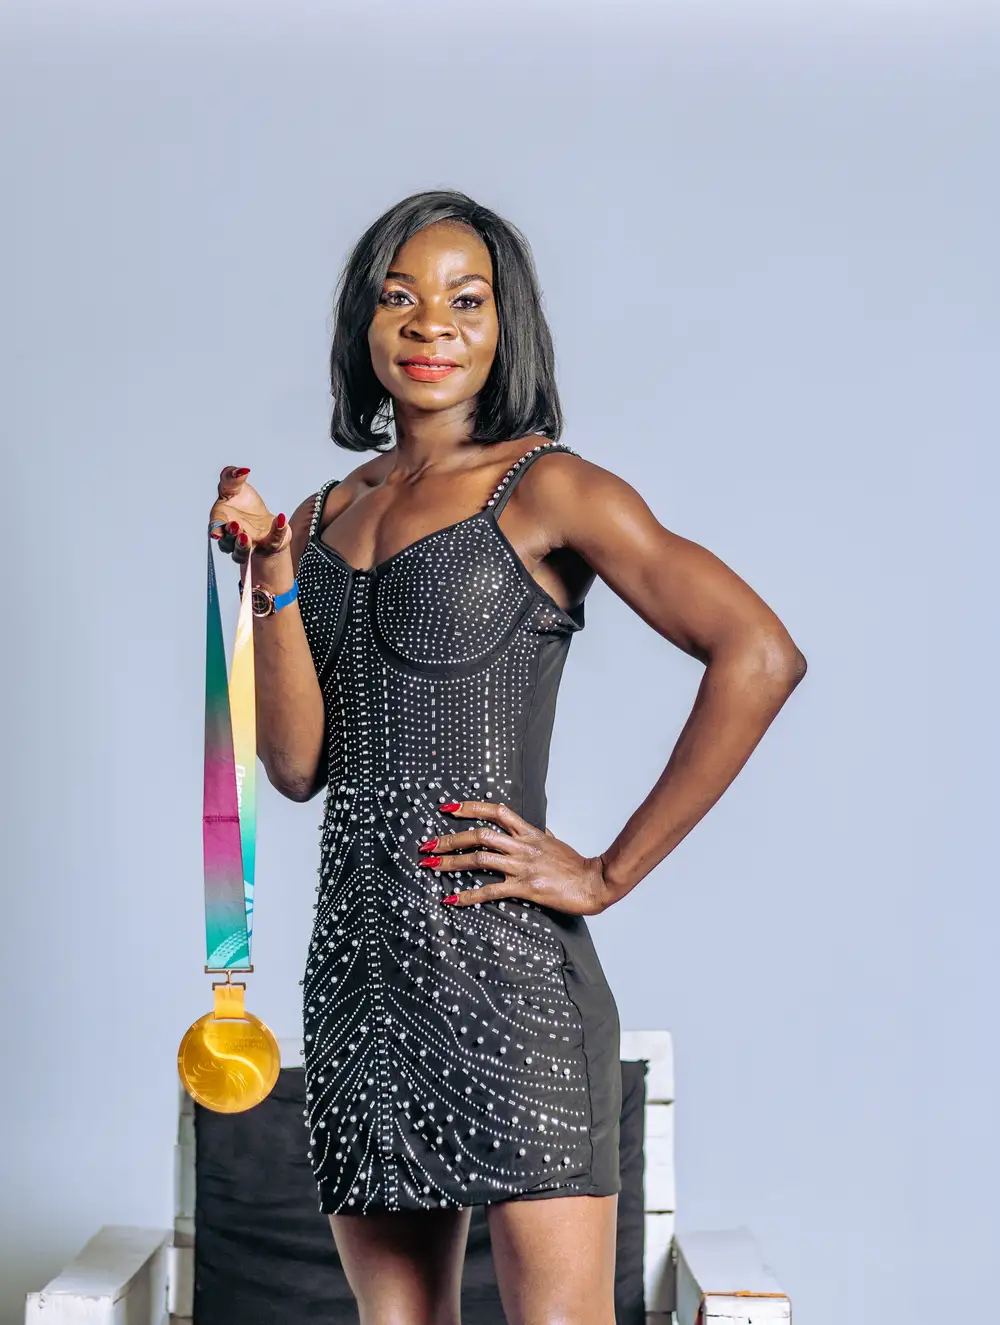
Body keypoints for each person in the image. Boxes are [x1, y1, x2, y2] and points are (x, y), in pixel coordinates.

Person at [207, 188, 807, 1325]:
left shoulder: (550, 487)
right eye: (401, 297)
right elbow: (295, 765)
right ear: (364, 326)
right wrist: (268, 571)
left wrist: (606, 871)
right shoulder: (324, 512)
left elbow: (759, 653)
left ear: (503, 325)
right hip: (359, 979)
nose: (430, 324)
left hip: (510, 979)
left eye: (463, 300)